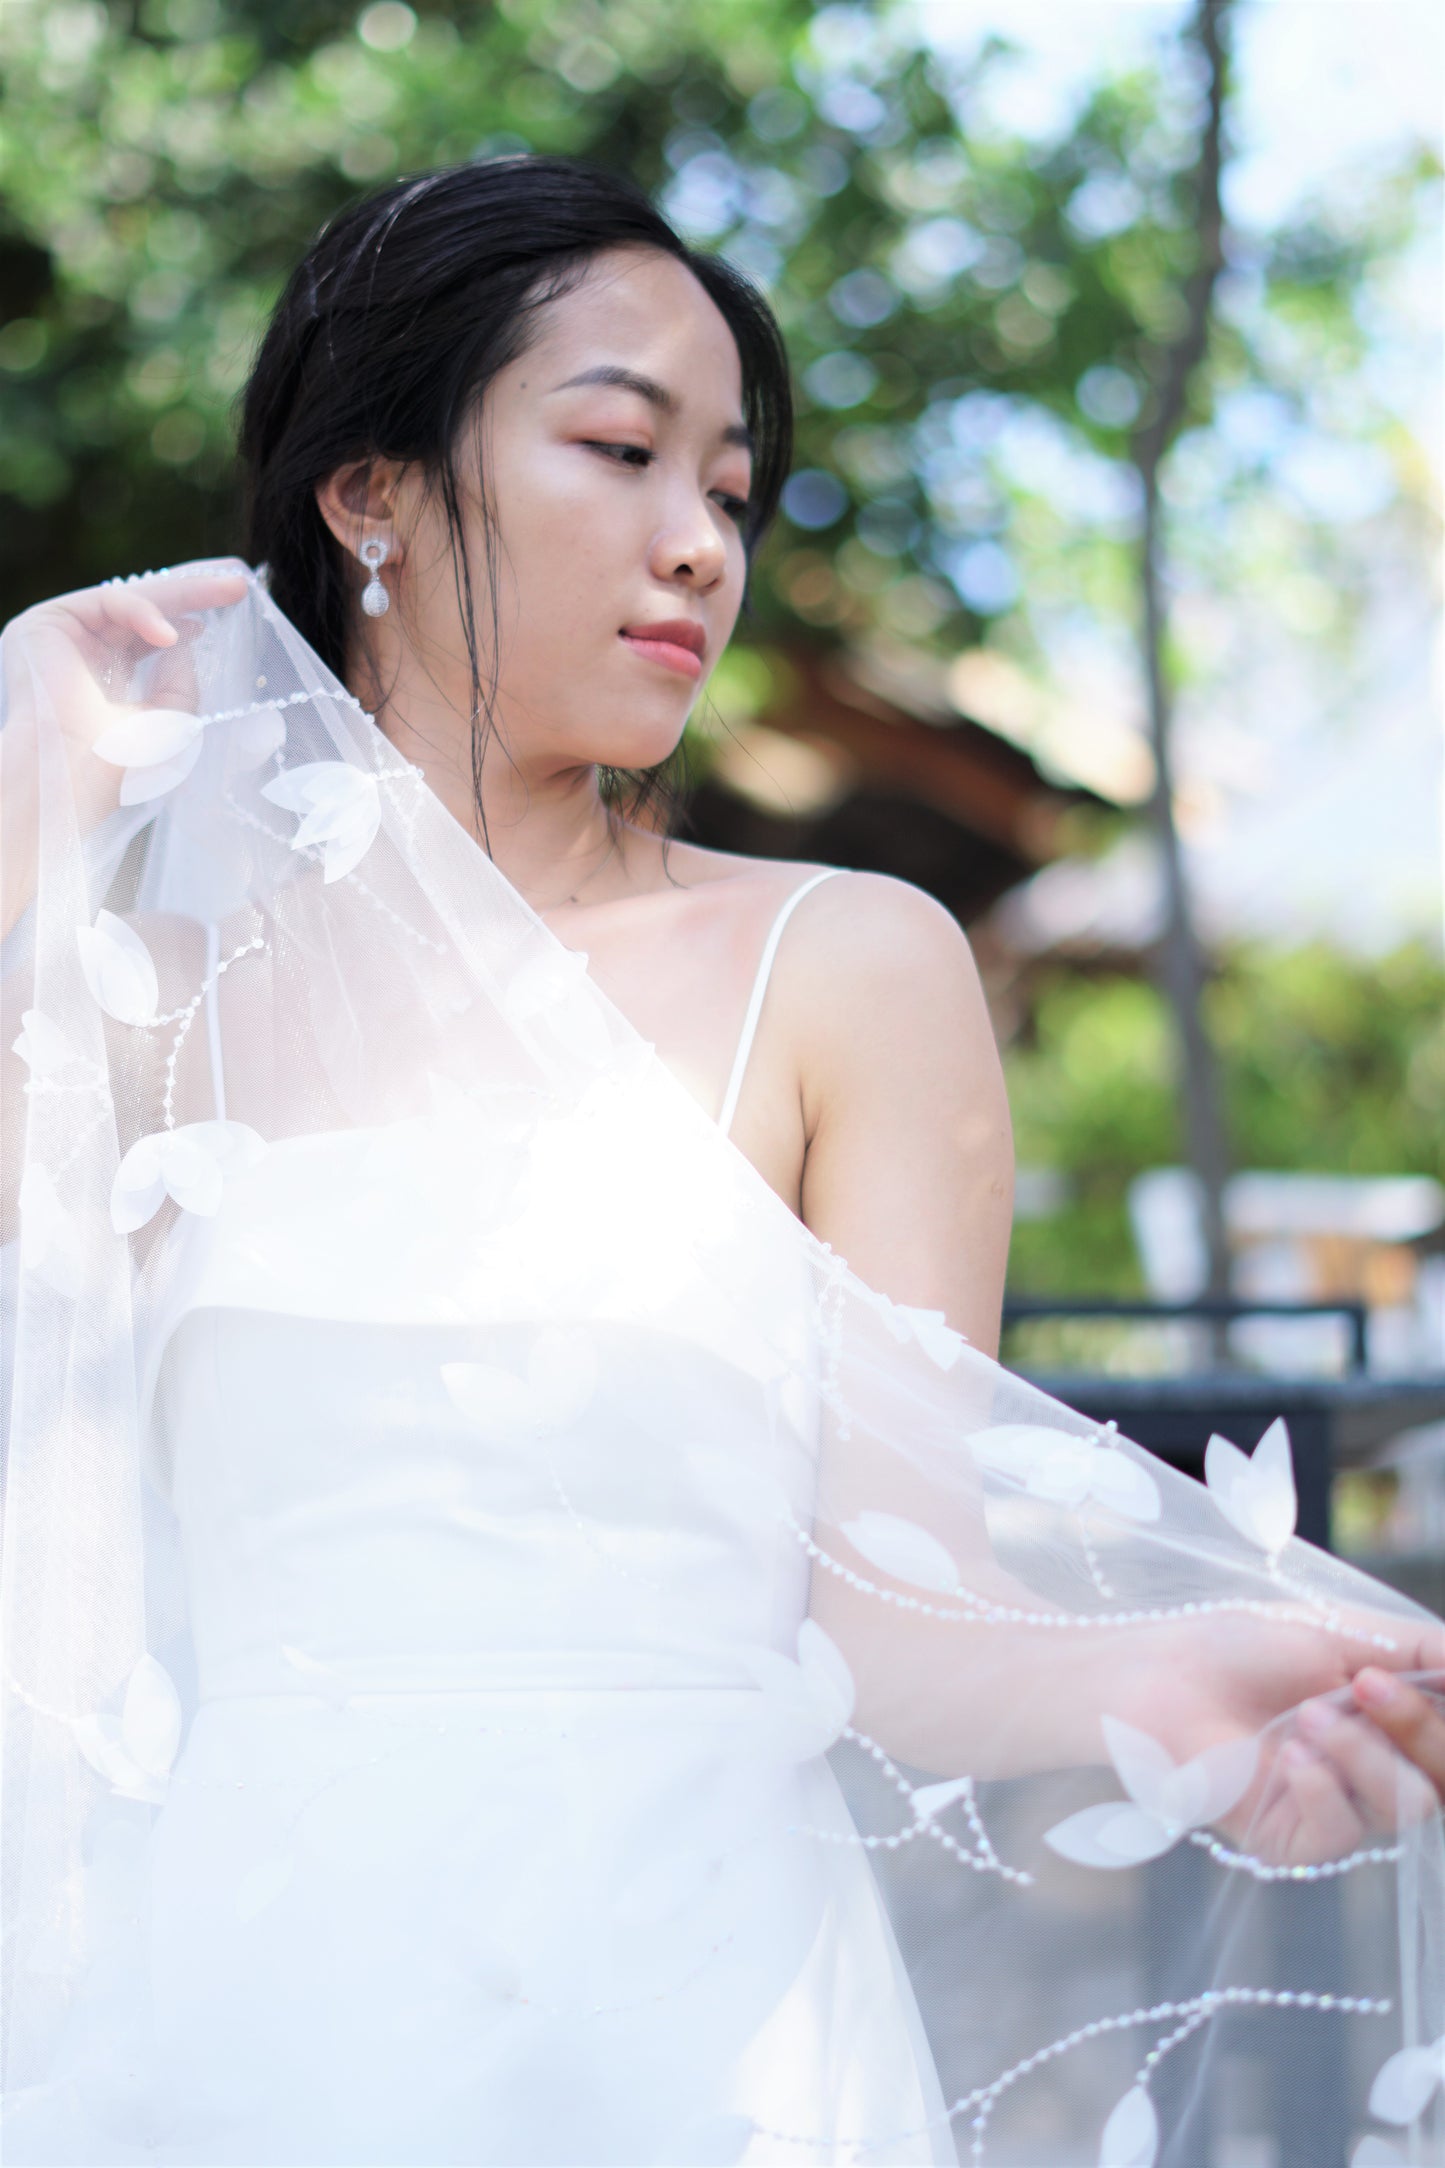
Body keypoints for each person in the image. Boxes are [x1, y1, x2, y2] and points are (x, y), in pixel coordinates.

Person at [2, 153, 1444, 2168]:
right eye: (621, 449)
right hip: (255, 2009)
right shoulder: (137, 1006)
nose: (698, 544)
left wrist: (1202, 1674)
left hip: (704, 2026)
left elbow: (906, 1625)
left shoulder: (846, 968)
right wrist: (23, 832)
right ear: (372, 490)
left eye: (735, 494)